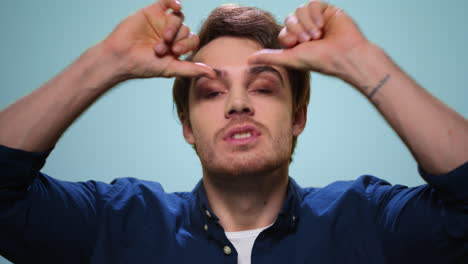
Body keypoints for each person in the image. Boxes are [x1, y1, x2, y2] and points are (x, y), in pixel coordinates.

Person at [0, 0, 467, 263]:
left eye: (262, 89)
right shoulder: (113, 224)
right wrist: (104, 64)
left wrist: (363, 63)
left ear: (299, 117)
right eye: (210, 92)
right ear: (187, 125)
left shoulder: (367, 219)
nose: (239, 103)